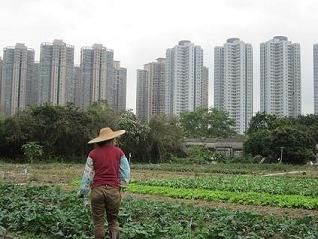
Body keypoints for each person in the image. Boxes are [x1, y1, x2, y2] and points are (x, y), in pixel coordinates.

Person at [77, 127, 130, 239]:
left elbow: (87, 175)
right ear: (112, 139)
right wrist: (122, 186)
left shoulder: (93, 153)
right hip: (113, 191)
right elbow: (125, 171)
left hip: (97, 192)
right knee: (113, 221)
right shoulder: (119, 152)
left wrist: (83, 192)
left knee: (99, 224)